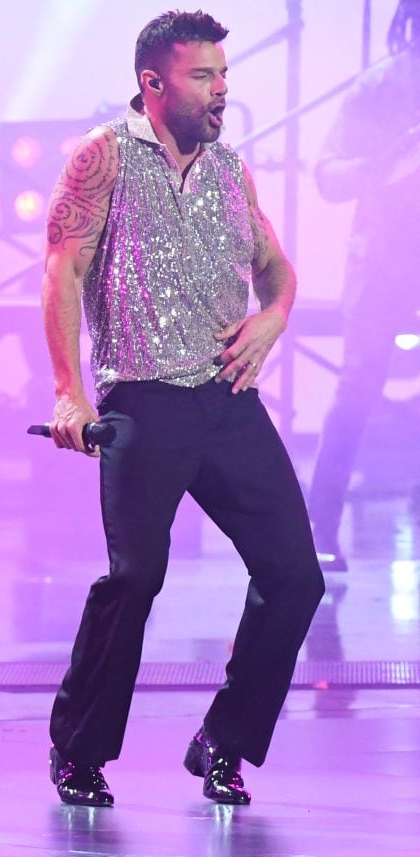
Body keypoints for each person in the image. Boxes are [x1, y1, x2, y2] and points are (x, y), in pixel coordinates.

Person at [40, 11, 324, 807]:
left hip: (227, 399)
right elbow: (61, 272)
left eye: (224, 75)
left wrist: (275, 315)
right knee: (136, 576)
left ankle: (222, 742)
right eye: (204, 76)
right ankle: (79, 750)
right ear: (154, 84)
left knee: (295, 575)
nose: (221, 90)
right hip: (142, 394)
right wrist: (68, 389)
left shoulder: (232, 171)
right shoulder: (101, 160)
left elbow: (277, 270)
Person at [308, 0, 420, 571]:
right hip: (383, 264)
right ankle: (320, 528)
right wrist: (381, 162)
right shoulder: (380, 87)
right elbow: (327, 174)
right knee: (356, 390)